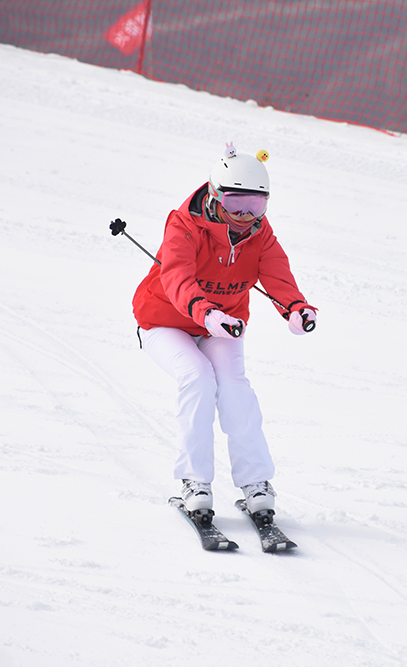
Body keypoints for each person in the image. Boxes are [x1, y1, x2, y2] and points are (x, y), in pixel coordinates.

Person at [132, 143, 317, 522]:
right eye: (235, 204)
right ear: (216, 197)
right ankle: (194, 482)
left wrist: (295, 308)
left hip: (223, 324)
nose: (245, 215)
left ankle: (256, 484)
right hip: (165, 321)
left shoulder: (258, 232)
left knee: (234, 387)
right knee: (197, 378)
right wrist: (206, 312)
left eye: (256, 206)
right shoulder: (184, 224)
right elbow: (177, 277)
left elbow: (277, 273)